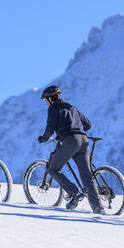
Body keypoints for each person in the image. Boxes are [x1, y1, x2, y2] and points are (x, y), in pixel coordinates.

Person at [37, 85, 105, 214]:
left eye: (46, 100)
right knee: (87, 176)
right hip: (84, 140)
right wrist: (77, 130)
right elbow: (88, 124)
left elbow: (50, 127)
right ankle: (98, 207)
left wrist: (44, 138)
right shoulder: (71, 107)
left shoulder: (53, 108)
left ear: (51, 99)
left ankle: (74, 193)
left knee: (53, 168)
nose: (46, 103)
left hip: (70, 141)